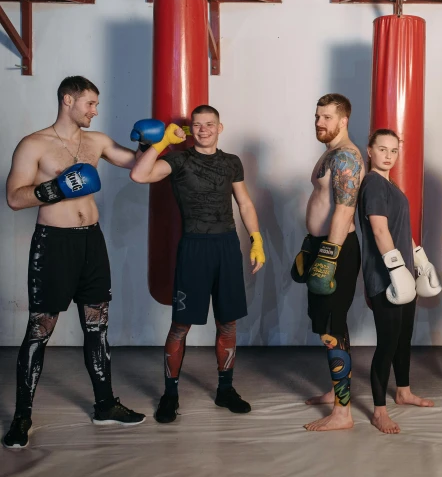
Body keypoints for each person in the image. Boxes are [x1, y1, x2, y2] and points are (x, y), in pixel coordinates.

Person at [4, 76, 146, 449]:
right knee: (40, 329)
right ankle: (22, 417)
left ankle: (105, 405)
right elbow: (15, 199)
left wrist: (154, 141)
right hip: (54, 244)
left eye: (96, 105)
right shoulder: (34, 144)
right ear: (68, 100)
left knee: (97, 325)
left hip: (91, 242)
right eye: (90, 104)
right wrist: (56, 189)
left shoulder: (96, 141)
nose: (95, 111)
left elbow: (136, 164)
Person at [129, 105, 265, 424]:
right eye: (197, 125)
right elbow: (139, 174)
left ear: (220, 127)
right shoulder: (178, 160)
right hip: (194, 247)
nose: (203, 129)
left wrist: (257, 239)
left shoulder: (231, 162)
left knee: (228, 323)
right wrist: (163, 141)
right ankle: (170, 394)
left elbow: (244, 202)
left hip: (227, 246)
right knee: (180, 325)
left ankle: (225, 390)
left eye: (209, 124)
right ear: (191, 129)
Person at [357, 129, 441, 434]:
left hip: (404, 271)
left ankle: (403, 391)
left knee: (404, 338)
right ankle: (379, 411)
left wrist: (418, 258)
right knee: (388, 342)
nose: (389, 156)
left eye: (394, 150)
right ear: (370, 150)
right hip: (386, 276)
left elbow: (400, 228)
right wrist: (395, 268)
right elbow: (379, 230)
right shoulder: (374, 184)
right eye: (382, 149)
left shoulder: (389, 184)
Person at [292, 93, 363, 431]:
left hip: (337, 250)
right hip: (321, 246)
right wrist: (312, 246)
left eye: (327, 118)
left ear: (343, 120)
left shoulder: (346, 157)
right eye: (317, 116)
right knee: (329, 327)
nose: (319, 123)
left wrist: (329, 256)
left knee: (332, 332)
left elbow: (345, 210)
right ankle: (337, 392)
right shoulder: (330, 154)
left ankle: (343, 413)